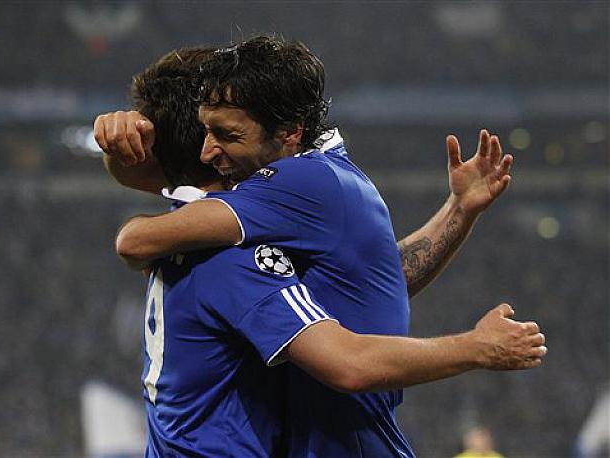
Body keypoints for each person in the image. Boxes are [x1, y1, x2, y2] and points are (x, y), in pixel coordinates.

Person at [96, 36, 546, 457]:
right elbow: (376, 282)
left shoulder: (269, 211)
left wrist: (477, 346)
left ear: (288, 133)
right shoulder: (310, 188)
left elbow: (136, 241)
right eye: (206, 132)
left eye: (227, 135)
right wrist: (458, 211)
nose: (211, 150)